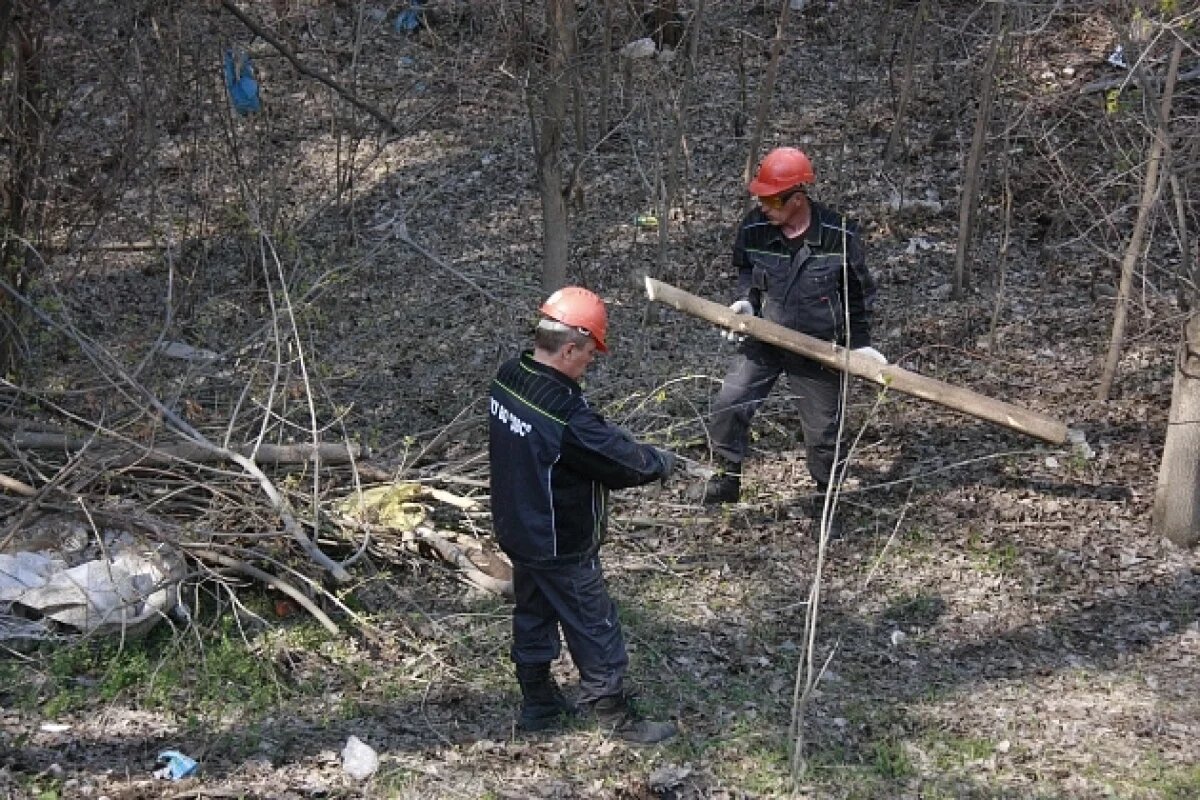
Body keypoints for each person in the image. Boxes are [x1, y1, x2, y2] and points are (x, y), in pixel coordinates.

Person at [489, 286, 678, 744]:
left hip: (518, 526)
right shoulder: (565, 413)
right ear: (569, 347)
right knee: (594, 625)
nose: (592, 360)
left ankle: (538, 704)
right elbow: (623, 464)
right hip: (561, 537)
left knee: (532, 613)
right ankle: (614, 715)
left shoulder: (509, 375)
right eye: (590, 352)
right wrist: (660, 461)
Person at [700, 147, 884, 539]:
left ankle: (827, 499)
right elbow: (746, 270)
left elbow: (859, 295)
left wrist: (861, 345)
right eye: (761, 199)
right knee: (728, 404)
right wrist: (744, 303)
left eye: (771, 200)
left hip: (819, 347)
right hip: (766, 336)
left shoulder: (840, 234)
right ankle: (725, 478)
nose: (764, 207)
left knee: (822, 432)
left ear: (797, 199)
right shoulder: (754, 227)